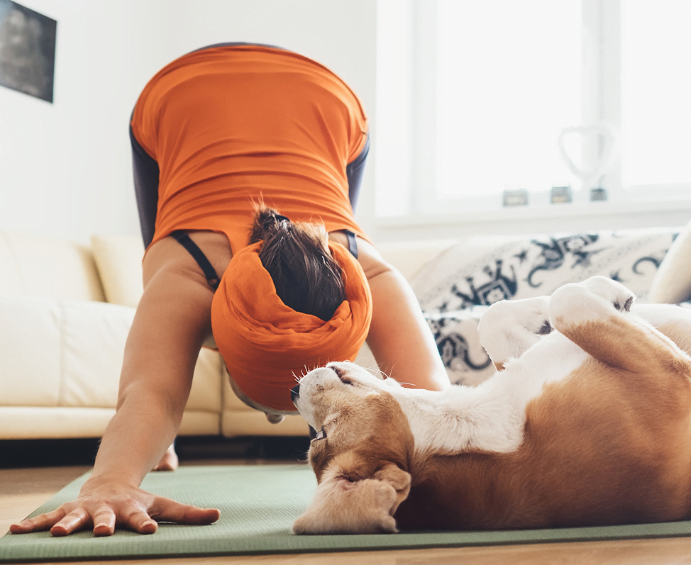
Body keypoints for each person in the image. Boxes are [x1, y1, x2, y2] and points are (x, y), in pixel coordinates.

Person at [9, 43, 449, 537]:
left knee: (164, 287)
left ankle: (152, 441)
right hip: (183, 95)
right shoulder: (188, 274)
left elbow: (436, 403)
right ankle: (149, 442)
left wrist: (115, 476)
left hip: (322, 101)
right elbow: (151, 394)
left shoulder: (366, 277)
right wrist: (108, 480)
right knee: (158, 259)